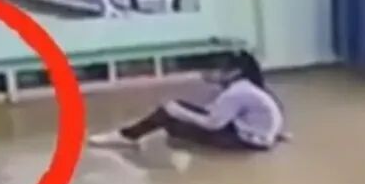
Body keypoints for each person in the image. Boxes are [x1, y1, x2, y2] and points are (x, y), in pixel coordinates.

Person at [89, 51, 285, 152]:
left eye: (213, 70)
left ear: (234, 72)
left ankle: (127, 136)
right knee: (172, 116)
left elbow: (213, 123)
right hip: (258, 136)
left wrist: (177, 111)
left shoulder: (235, 93)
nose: (207, 74)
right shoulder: (247, 86)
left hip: (248, 142)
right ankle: (132, 134)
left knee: (168, 116)